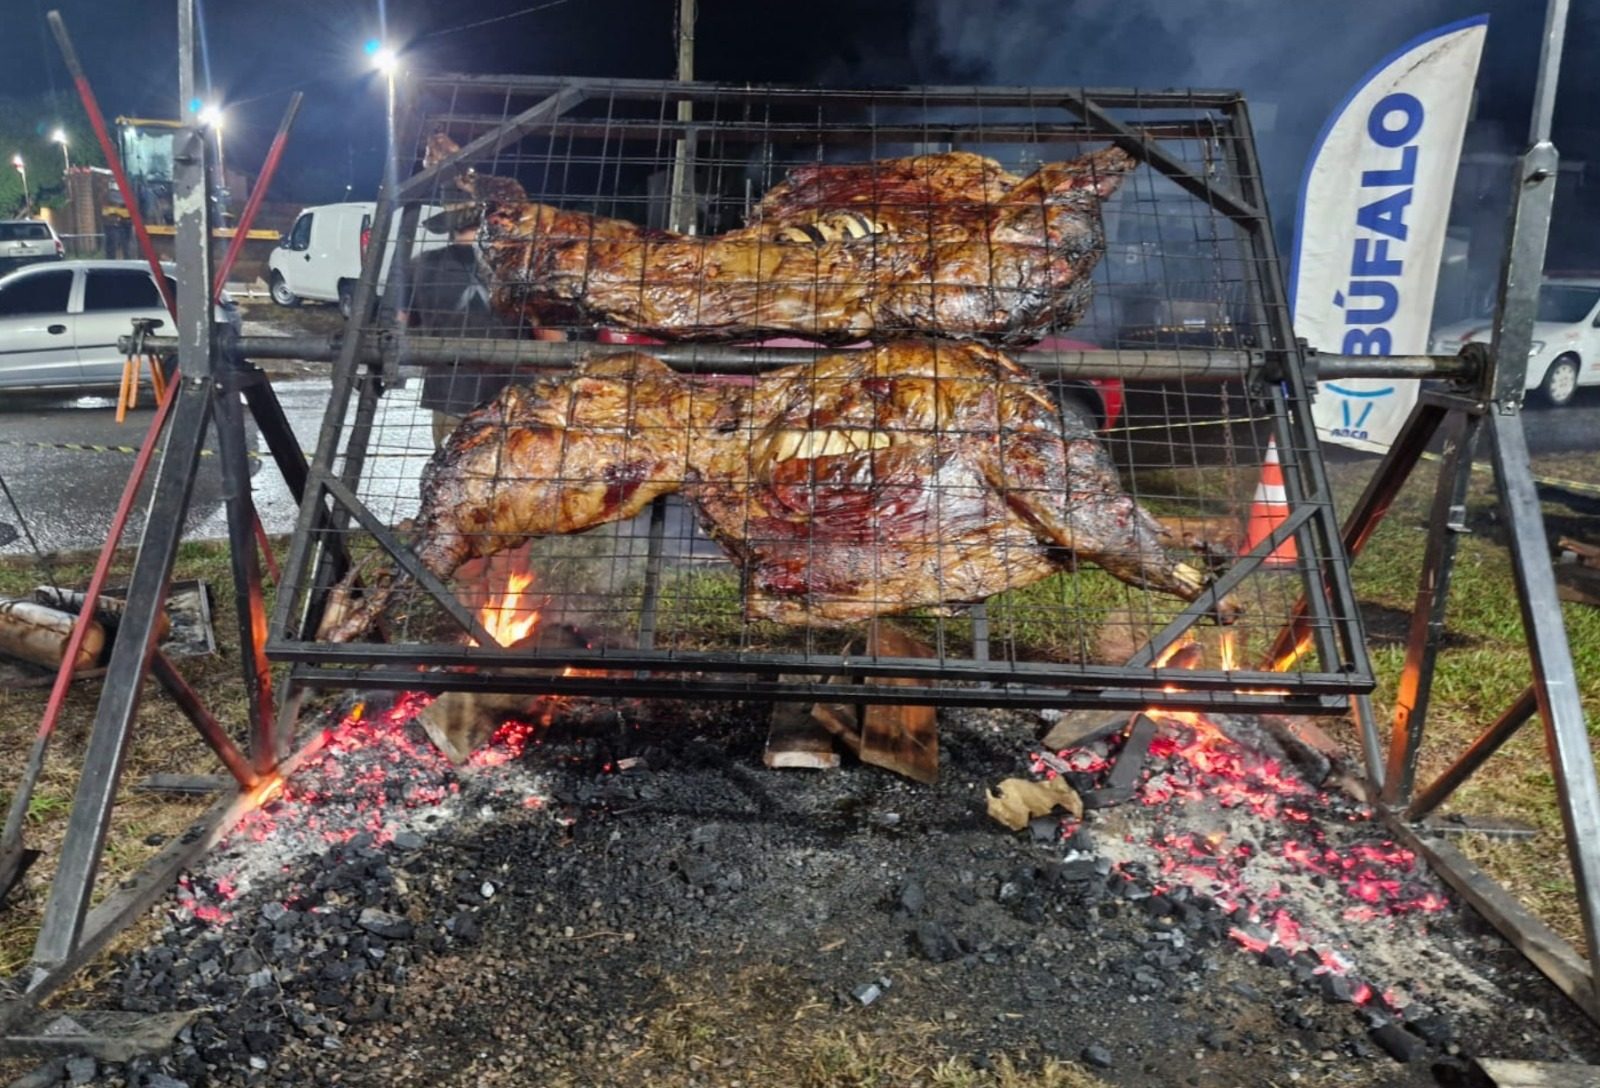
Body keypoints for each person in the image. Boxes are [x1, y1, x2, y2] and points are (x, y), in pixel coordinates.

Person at [394, 209, 563, 449]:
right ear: (490, 223)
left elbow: (402, 321)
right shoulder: (521, 266)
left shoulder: (422, 265)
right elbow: (548, 337)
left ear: (449, 226)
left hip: (449, 394)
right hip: (513, 399)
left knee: (455, 474)